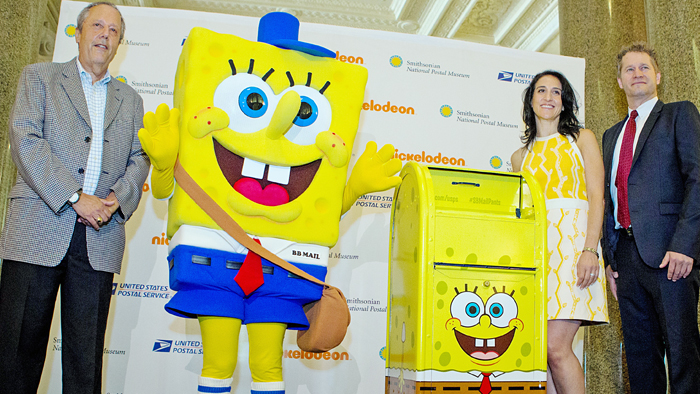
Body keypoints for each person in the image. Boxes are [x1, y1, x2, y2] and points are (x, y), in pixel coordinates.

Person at [0, 2, 150, 393]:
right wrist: (73, 196)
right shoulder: (39, 77)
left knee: (86, 361)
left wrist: (117, 198)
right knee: (16, 352)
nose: (104, 34)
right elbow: (26, 140)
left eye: (113, 30)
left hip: (99, 238)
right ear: (79, 32)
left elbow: (140, 156)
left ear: (119, 43)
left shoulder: (131, 101)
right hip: (37, 230)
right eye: (97, 25)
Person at [601, 42, 700, 394]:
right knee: (641, 362)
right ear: (619, 81)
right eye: (630, 69)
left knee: (682, 354)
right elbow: (606, 199)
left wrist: (685, 245)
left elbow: (697, 179)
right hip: (626, 262)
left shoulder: (679, 115)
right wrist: (610, 260)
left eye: (644, 67)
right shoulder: (611, 135)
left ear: (657, 75)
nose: (637, 74)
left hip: (672, 256)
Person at [511, 70, 608, 394]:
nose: (548, 97)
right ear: (531, 100)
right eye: (541, 90)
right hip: (538, 260)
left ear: (565, 101)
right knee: (543, 352)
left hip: (575, 252)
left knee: (556, 347)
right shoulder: (519, 158)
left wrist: (590, 250)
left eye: (556, 91)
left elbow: (597, 195)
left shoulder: (582, 139)